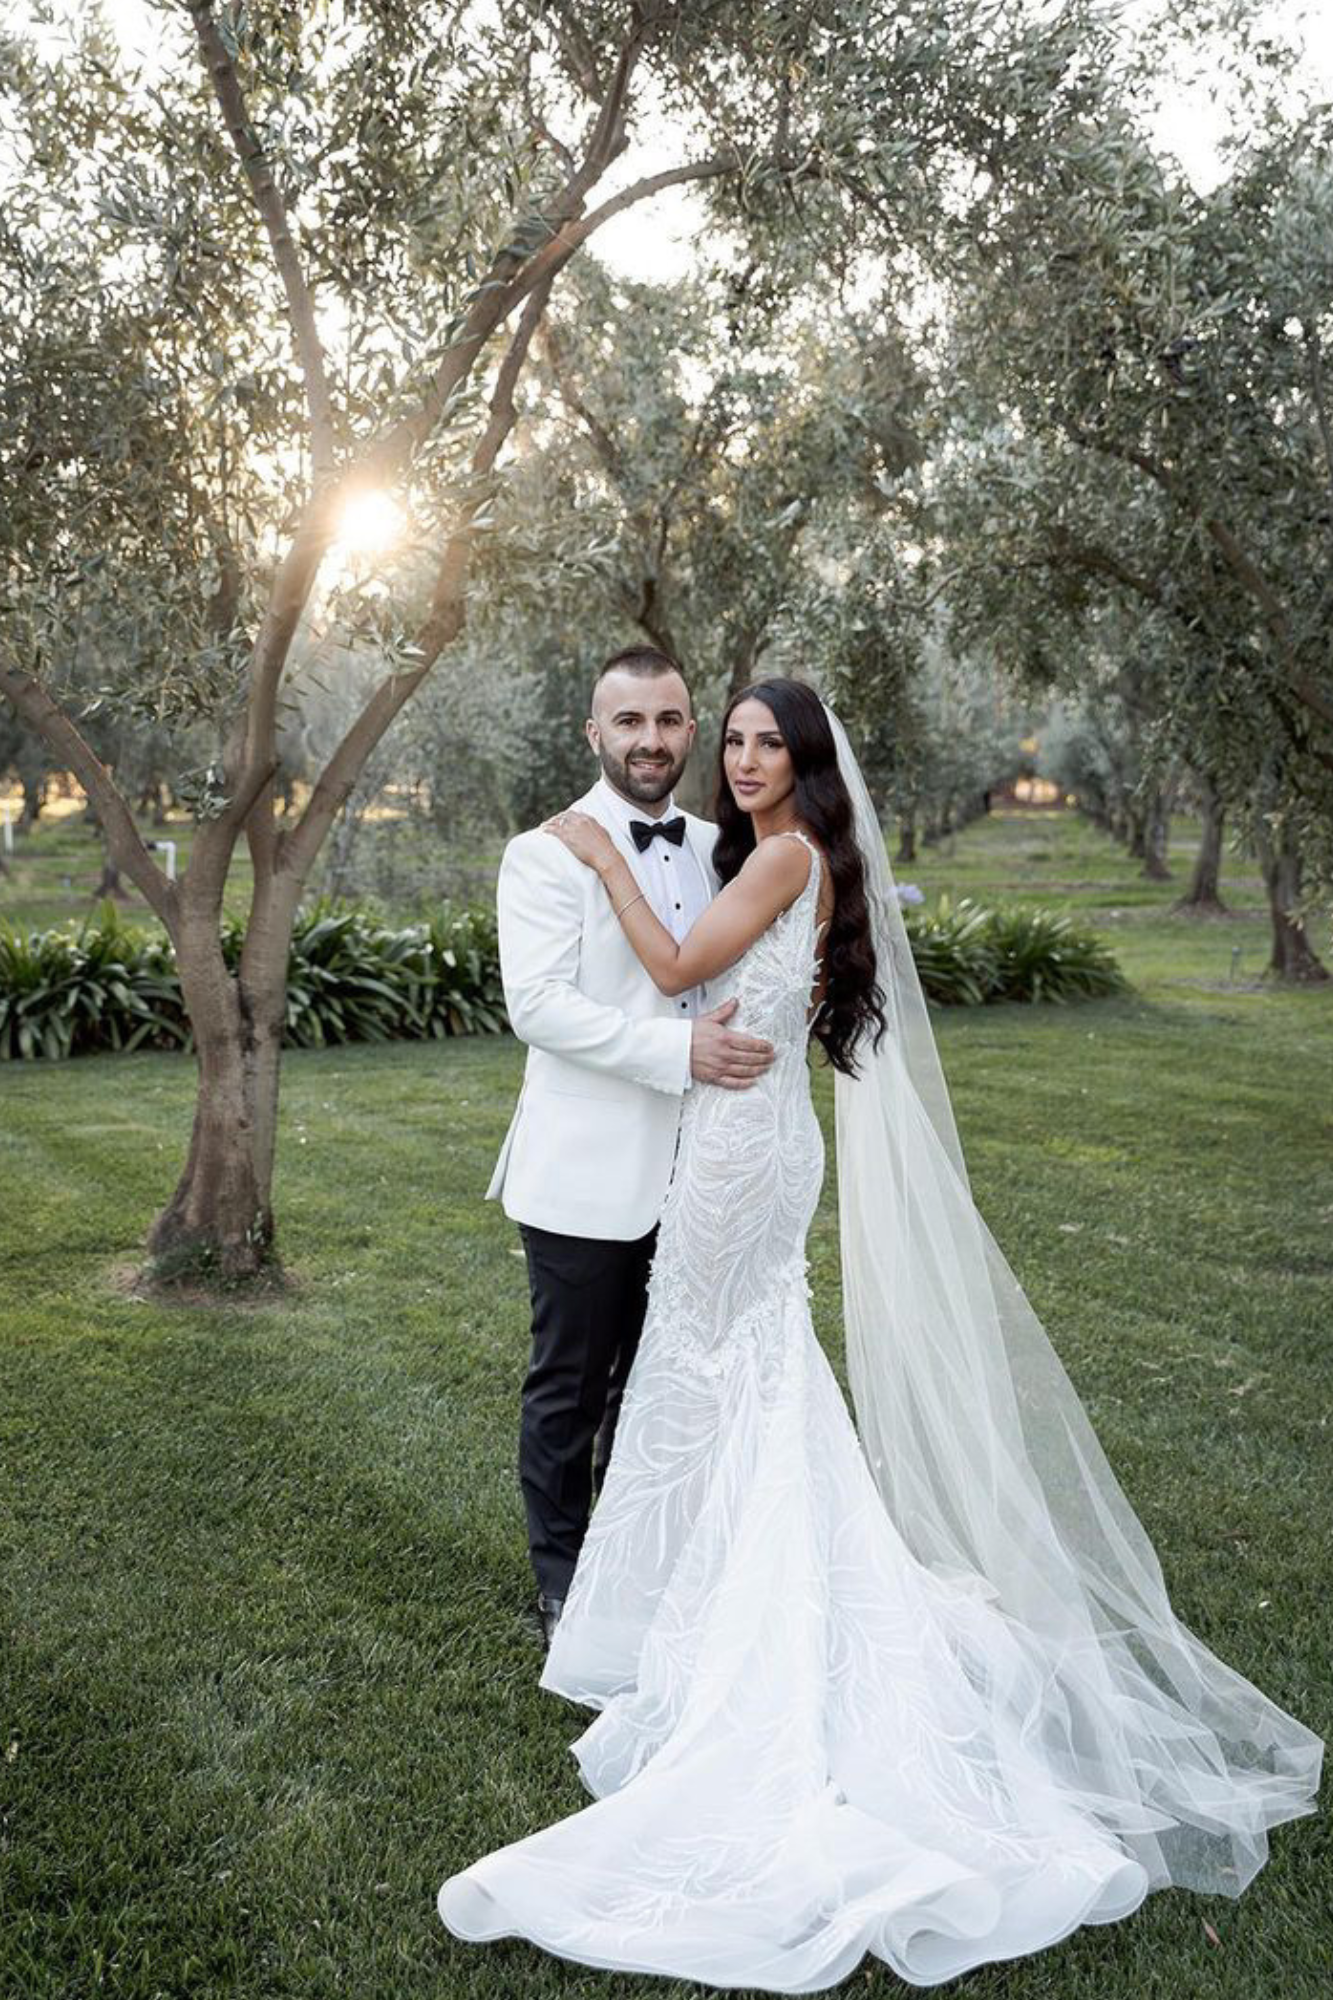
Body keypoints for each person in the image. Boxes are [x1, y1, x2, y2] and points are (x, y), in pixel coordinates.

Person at [441, 679, 1321, 1991]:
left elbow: (683, 969)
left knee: (711, 1370)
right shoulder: (796, 858)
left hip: (737, 1155)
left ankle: (710, 1622)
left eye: (763, 743)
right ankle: (697, 1603)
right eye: (728, 740)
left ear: (807, 762)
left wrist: (593, 861)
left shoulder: (786, 854)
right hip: (750, 1141)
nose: (740, 761)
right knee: (739, 1379)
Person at [487, 643, 775, 1649]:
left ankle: (647, 1559)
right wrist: (680, 1047)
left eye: (667, 720)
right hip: (585, 1171)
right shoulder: (544, 851)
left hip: (705, 1168)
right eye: (628, 722)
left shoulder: (719, 845)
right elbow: (540, 1007)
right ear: (593, 732)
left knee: (668, 1377)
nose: (649, 740)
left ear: (690, 729)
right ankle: (563, 1579)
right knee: (571, 1382)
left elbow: (710, 970)